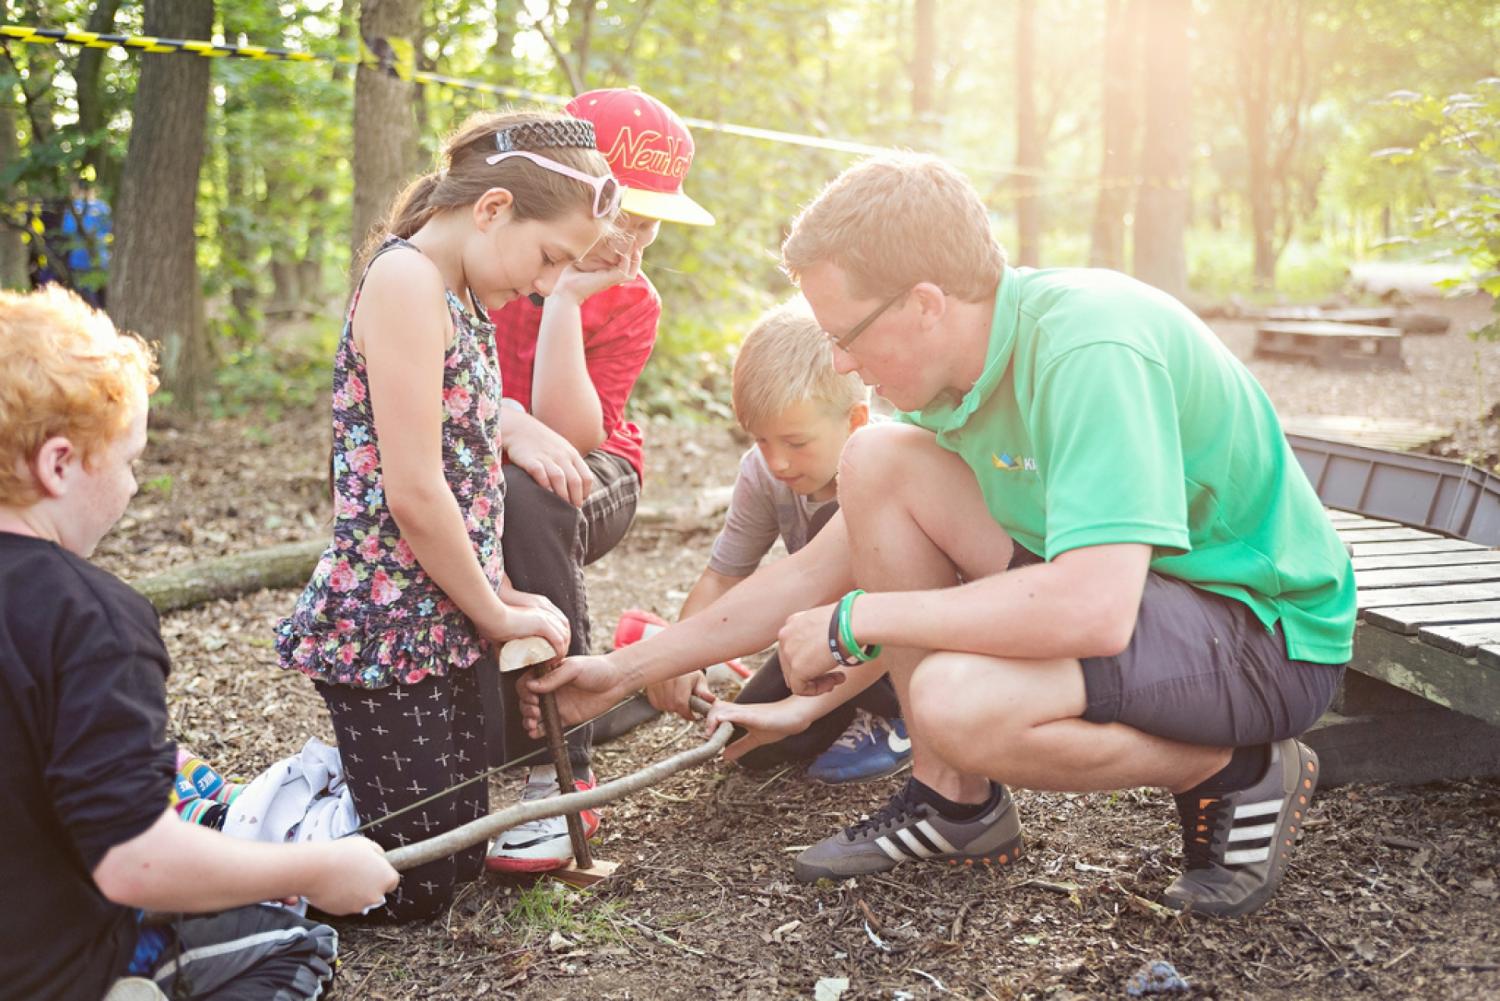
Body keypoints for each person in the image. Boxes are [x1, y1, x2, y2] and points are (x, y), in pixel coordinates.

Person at [522, 153, 1356, 918]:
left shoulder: (1087, 346)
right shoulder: (959, 370)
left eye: (846, 336)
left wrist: (857, 623)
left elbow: (1093, 610)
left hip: (1262, 631)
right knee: (878, 459)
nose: (842, 363)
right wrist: (621, 672)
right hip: (1150, 597)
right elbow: (817, 568)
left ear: (925, 303)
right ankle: (954, 800)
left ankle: (1240, 771)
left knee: (956, 701)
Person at [0, 285, 398, 1001]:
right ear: (58, 464)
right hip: (43, 970)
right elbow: (134, 863)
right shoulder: (90, 619)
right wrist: (311, 868)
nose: (132, 484)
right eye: (127, 462)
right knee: (292, 944)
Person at [275, 109, 617, 921]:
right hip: (387, 621)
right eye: (547, 258)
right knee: (415, 887)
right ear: (493, 208)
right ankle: (250, 839)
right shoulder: (405, 281)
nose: (542, 283)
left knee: (461, 858)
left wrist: (505, 589)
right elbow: (416, 490)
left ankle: (350, 807)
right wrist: (496, 611)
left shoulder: (462, 297)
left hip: (444, 614)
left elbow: (472, 475)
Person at [481, 88, 715, 873]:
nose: (634, 238)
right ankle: (625, 674)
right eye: (623, 214)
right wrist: (504, 422)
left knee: (535, 493)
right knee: (484, 719)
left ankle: (563, 762)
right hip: (486, 455)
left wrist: (569, 300)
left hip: (593, 472)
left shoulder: (630, 299)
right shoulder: (491, 264)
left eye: (650, 224)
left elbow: (574, 435)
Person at [643, 297, 911, 783]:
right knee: (752, 748)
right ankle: (839, 712)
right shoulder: (763, 474)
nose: (778, 462)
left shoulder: (893, 459)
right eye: (761, 440)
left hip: (902, 637)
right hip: (832, 636)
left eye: (795, 442)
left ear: (855, 421)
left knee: (831, 521)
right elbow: (724, 575)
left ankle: (898, 714)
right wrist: (678, 655)